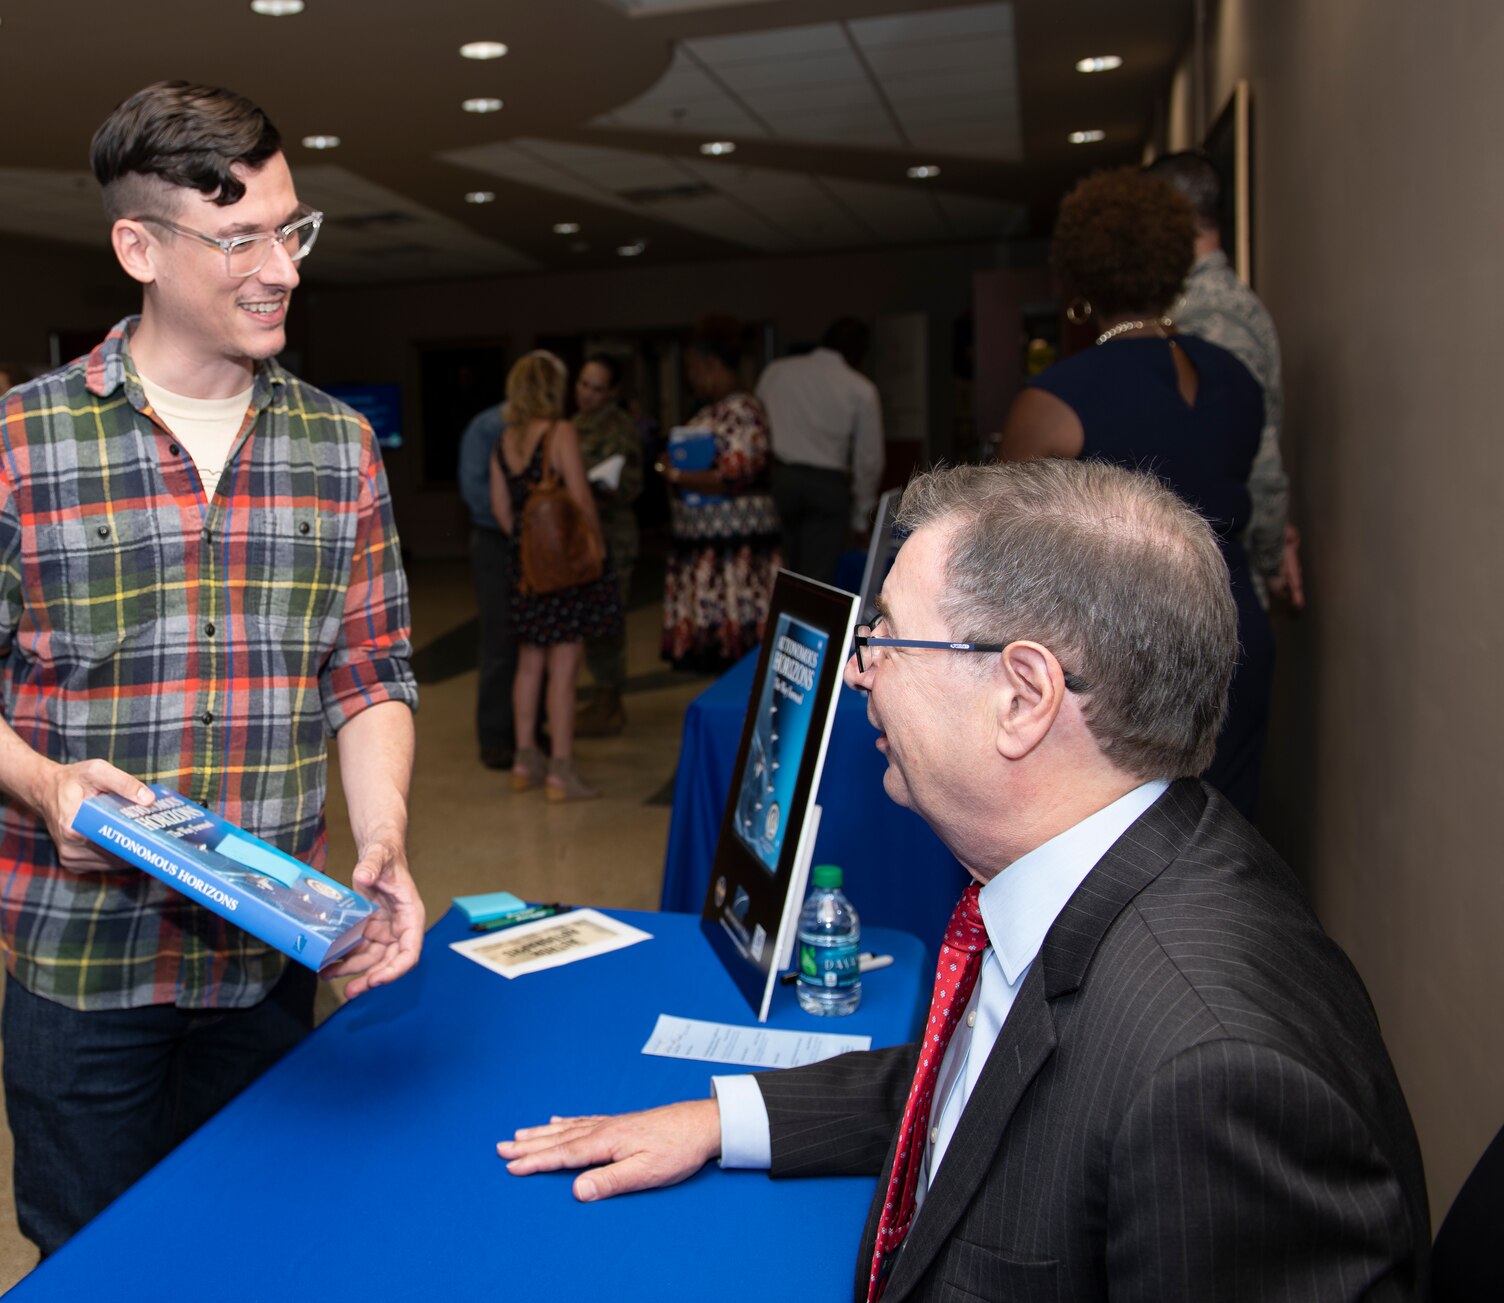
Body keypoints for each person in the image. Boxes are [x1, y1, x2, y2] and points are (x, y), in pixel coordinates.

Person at [497, 459, 1429, 1302]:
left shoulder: (1215, 1080)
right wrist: (719, 1117)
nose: (858, 671)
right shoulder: (1102, 864)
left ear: (1023, 696)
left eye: (889, 639)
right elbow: (981, 1079)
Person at [0, 80, 424, 1257]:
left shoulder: (337, 446)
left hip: (271, 956)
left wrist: (380, 836)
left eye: (291, 229)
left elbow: (370, 667)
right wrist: (43, 785)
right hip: (81, 970)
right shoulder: (23, 439)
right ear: (138, 245)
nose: (279, 266)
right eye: (238, 237)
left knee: (260, 1249)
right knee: (94, 1262)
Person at [997, 168, 1272, 821]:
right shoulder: (1237, 378)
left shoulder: (1058, 398)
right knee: (1223, 837)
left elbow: (996, 549)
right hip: (1235, 628)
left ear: (1079, 276)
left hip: (1126, 646)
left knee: (1126, 845)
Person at [1146, 149, 1305, 612]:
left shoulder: (1211, 318)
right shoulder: (1201, 306)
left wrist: (1274, 555)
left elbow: (1255, 452)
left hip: (1215, 588)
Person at [488, 350, 620, 802]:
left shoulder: (505, 440)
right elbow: (582, 499)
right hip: (564, 574)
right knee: (564, 670)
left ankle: (525, 759)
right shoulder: (560, 432)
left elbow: (502, 512)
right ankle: (561, 770)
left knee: (529, 666)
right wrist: (595, 551)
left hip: (524, 572)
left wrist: (530, 549)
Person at [659, 315, 782, 673]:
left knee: (741, 654)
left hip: (735, 550)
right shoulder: (710, 411)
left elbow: (735, 473)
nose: (691, 377)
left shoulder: (743, 410)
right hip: (707, 545)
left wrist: (678, 474)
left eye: (693, 368)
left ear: (711, 365)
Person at [757, 317, 883, 582]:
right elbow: (868, 459)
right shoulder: (860, 388)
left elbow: (756, 427)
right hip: (827, 487)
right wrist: (862, 516)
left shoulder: (777, 371)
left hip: (779, 481)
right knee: (817, 580)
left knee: (774, 571)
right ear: (859, 353)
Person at [571, 355, 643, 737]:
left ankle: (609, 699)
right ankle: (602, 697)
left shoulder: (620, 428)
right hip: (580, 538)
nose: (588, 394)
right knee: (590, 620)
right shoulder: (573, 425)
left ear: (612, 392)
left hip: (614, 535)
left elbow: (633, 482)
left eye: (597, 388)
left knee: (609, 620)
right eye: (584, 385)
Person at [457, 399, 515, 769]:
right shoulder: (488, 426)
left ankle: (527, 730)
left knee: (536, 642)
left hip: (530, 542)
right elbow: (476, 493)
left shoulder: (550, 429)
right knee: (499, 641)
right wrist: (516, 523)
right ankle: (494, 736)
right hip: (496, 540)